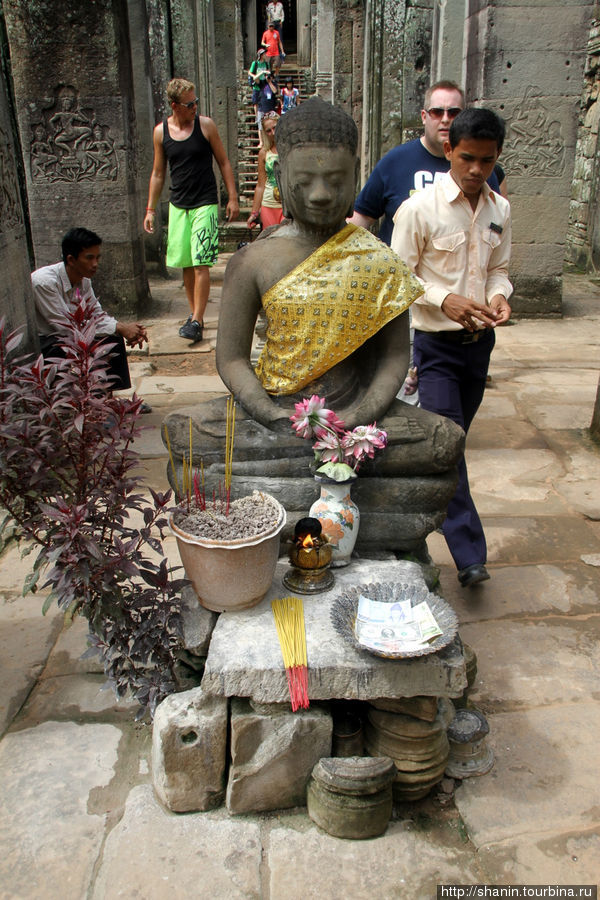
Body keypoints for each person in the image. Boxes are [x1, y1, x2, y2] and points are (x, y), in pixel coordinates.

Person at [391, 108, 512, 587]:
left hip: (479, 346)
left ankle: (416, 517)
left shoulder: (500, 210)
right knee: (450, 447)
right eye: (467, 159)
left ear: (497, 156)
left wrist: (500, 296)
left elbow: (499, 269)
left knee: (447, 447)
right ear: (448, 152)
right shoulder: (419, 209)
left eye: (486, 160)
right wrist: (445, 299)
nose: (476, 170)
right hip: (433, 347)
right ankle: (469, 555)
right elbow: (396, 276)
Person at [143, 77, 239, 344]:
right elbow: (158, 173)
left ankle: (197, 318)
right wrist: (150, 208)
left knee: (201, 262)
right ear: (175, 106)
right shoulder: (161, 132)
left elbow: (224, 162)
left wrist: (232, 197)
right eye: (190, 103)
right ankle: (194, 313)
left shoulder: (205, 126)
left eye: (196, 101)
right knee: (185, 262)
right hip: (179, 203)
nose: (195, 106)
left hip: (205, 201)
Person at [350, 80, 499, 246]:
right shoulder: (395, 162)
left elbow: (496, 224)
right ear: (423, 116)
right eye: (436, 112)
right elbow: (361, 218)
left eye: (453, 112)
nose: (445, 119)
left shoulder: (481, 171)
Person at [31, 228, 151, 411]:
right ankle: (82, 401)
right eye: (89, 258)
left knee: (112, 335)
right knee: (102, 335)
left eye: (97, 258)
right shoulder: (44, 283)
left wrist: (122, 328)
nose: (95, 264)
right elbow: (64, 327)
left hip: (73, 335)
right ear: (71, 259)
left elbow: (97, 314)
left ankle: (107, 400)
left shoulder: (83, 281)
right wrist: (119, 327)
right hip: (49, 344)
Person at [247, 112, 284, 231]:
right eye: (268, 131)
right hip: (268, 204)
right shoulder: (264, 153)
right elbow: (260, 185)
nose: (273, 133)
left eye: (275, 128)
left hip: (287, 206)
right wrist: (254, 213)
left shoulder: (291, 150)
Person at [249, 48, 269, 129]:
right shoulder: (255, 63)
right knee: (256, 101)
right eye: (264, 54)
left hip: (264, 83)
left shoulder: (266, 64)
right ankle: (257, 116)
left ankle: (263, 115)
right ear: (260, 55)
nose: (265, 55)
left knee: (264, 99)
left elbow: (268, 71)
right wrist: (254, 76)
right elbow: (250, 72)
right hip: (257, 83)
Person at [256, 73, 279, 140]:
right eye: (266, 76)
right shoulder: (262, 83)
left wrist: (270, 82)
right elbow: (255, 78)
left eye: (269, 76)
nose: (268, 77)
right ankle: (261, 141)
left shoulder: (274, 84)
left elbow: (274, 91)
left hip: (271, 108)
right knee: (260, 126)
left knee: (273, 126)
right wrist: (262, 72)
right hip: (262, 108)